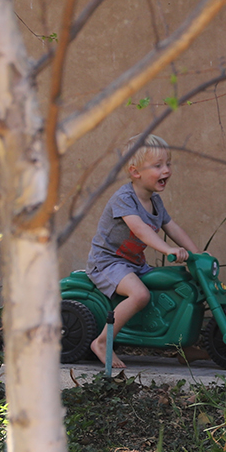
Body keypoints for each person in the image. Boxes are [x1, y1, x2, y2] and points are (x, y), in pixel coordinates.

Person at [85, 134, 201, 365]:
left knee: (180, 287)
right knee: (140, 295)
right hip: (108, 262)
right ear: (135, 172)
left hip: (135, 264)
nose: (166, 170)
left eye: (168, 163)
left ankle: (183, 347)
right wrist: (167, 249)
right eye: (158, 166)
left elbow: (172, 227)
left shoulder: (155, 201)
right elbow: (139, 229)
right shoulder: (124, 198)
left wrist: (196, 254)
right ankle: (102, 342)